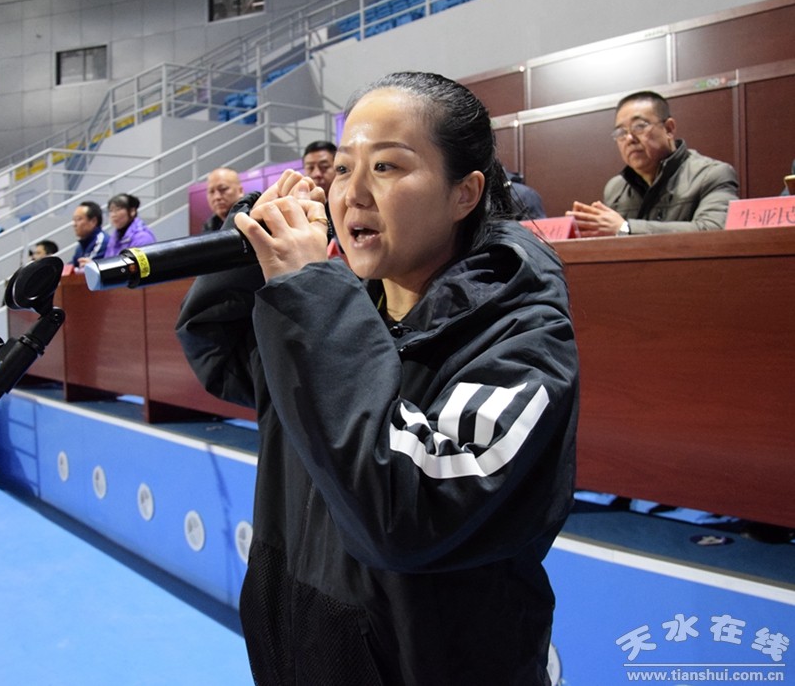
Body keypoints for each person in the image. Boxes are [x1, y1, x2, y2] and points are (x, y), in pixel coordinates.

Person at [176, 71, 579, 684]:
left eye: (387, 167)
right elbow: (219, 350)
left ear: (464, 193)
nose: (353, 193)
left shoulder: (524, 339)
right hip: (301, 651)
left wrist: (311, 296)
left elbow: (405, 513)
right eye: (342, 169)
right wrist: (252, 237)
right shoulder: (343, 309)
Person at [567, 90, 739, 236]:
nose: (629, 138)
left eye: (639, 126)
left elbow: (714, 230)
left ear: (669, 129)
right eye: (621, 132)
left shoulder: (712, 174)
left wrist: (625, 228)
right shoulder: (616, 188)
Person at [203, 167, 244, 232]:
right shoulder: (210, 226)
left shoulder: (253, 217)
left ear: (240, 191)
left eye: (223, 189)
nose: (217, 197)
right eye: (211, 191)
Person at [71, 201, 107, 268]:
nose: (74, 224)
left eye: (78, 219)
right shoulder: (82, 244)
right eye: (74, 220)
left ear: (93, 221)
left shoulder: (101, 241)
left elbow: (87, 269)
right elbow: (72, 266)